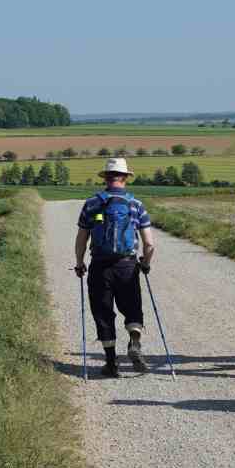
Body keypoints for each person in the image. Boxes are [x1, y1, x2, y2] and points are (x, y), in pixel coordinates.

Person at [74, 158, 155, 378]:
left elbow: (82, 238)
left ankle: (111, 363)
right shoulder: (135, 204)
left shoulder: (92, 204)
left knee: (103, 313)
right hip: (127, 265)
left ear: (106, 178)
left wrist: (80, 263)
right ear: (125, 177)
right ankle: (134, 342)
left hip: (100, 266)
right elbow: (149, 244)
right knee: (132, 307)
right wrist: (145, 263)